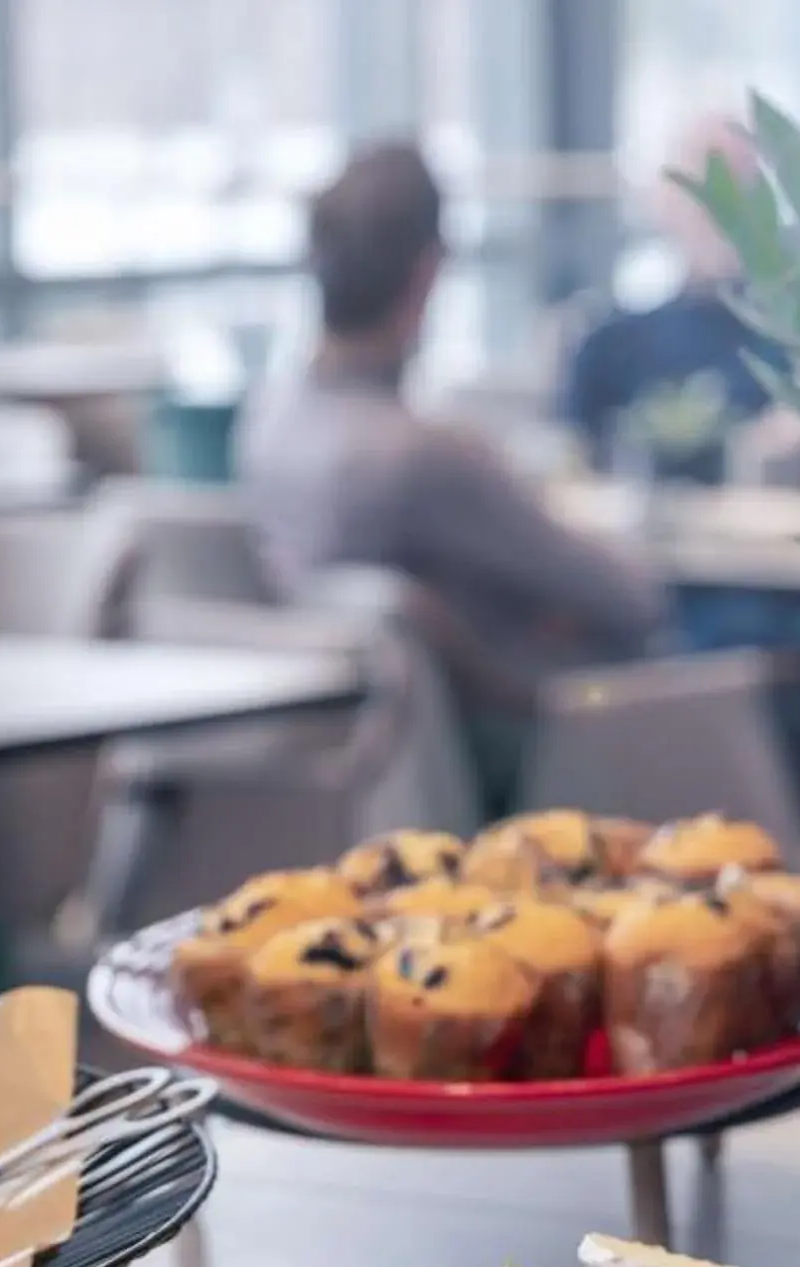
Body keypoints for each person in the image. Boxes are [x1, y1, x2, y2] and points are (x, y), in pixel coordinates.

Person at [239, 142, 666, 806]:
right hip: (525, 766)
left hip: (341, 778)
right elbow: (632, 602)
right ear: (428, 274)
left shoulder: (266, 425)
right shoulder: (424, 456)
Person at [559, 116, 781, 484]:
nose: (722, 207)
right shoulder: (608, 345)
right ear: (664, 199)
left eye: (741, 181)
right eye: (704, 183)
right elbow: (570, 474)